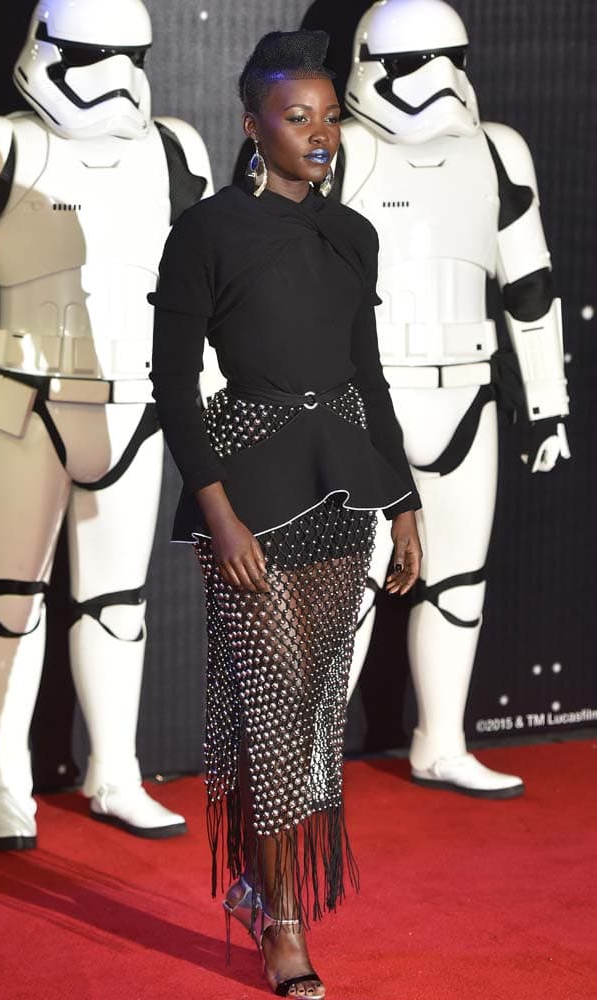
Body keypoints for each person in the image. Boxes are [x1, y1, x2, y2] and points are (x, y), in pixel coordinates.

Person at [151, 30, 422, 999]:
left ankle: (259, 886)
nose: (320, 134)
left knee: (309, 714)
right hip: (252, 489)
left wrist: (403, 497)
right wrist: (216, 512)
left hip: (343, 487)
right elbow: (173, 388)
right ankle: (283, 922)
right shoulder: (207, 231)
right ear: (252, 123)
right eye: (297, 117)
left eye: (330, 116)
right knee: (271, 713)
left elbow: (368, 374)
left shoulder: (354, 235)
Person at [0, 0, 212, 849]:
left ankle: (114, 768)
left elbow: (204, 281)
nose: (117, 77)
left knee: (119, 603)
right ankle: (4, 774)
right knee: (10, 598)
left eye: (131, 55)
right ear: (46, 49)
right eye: (93, 55)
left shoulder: (173, 146)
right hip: (20, 399)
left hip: (134, 399)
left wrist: (215, 394)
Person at [338, 0, 570, 798]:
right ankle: (307, 755)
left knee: (458, 579)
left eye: (448, 60)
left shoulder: (496, 152)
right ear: (373, 62)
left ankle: (442, 739)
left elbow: (531, 288)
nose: (433, 81)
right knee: (350, 587)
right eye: (411, 63)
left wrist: (548, 401)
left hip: (468, 391)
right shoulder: (340, 150)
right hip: (365, 399)